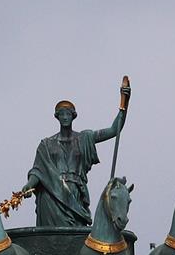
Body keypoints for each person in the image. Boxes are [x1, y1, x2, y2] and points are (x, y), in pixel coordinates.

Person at [22, 81, 131, 226]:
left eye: (68, 114)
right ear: (57, 117)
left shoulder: (84, 138)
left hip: (76, 193)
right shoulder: (46, 144)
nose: (65, 117)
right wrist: (29, 184)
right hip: (51, 195)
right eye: (61, 114)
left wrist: (124, 105)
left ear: (73, 116)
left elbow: (113, 130)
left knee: (76, 234)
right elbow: (38, 171)